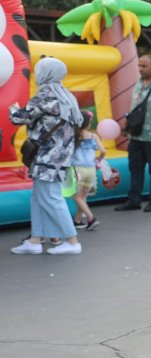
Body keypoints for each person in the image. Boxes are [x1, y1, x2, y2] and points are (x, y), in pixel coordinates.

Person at [9, 57, 85, 255]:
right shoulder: (67, 95)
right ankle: (35, 240)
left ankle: (72, 240)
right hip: (62, 154)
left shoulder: (44, 94)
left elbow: (19, 118)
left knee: (50, 197)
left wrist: (13, 109)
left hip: (47, 156)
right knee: (39, 197)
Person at [115, 54, 151, 213]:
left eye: (144, 66)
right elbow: (135, 108)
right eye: (139, 66)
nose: (140, 69)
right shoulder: (138, 84)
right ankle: (134, 200)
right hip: (137, 135)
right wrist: (127, 127)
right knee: (135, 169)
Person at [71, 110, 105, 230]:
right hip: (91, 169)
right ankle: (78, 220)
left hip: (78, 169)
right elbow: (103, 151)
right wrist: (99, 160)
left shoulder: (74, 135)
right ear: (88, 123)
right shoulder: (93, 136)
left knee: (75, 196)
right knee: (82, 197)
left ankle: (91, 218)